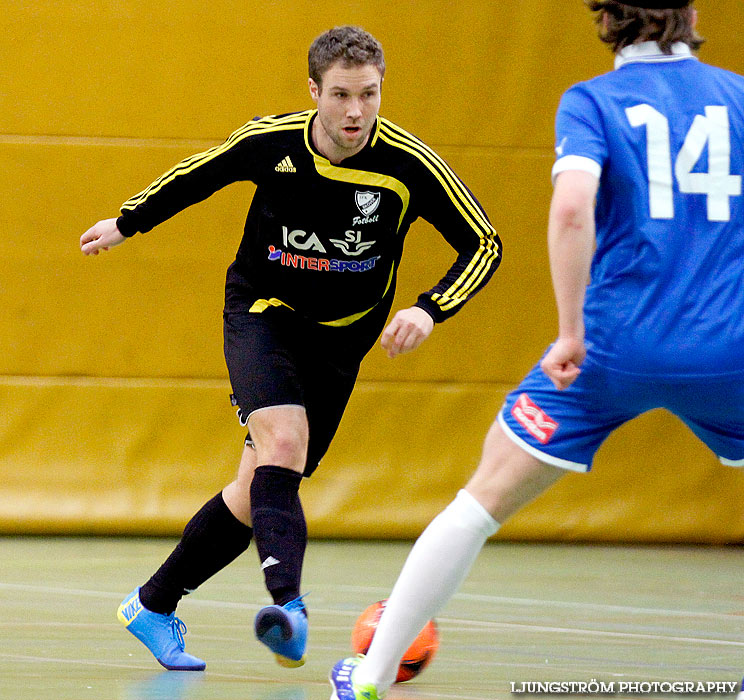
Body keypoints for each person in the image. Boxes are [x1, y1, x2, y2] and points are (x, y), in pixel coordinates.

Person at [329, 2, 744, 698]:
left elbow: (573, 207)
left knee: (483, 496)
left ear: (605, 17)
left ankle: (369, 676)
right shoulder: (738, 96)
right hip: (732, 350)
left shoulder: (593, 102)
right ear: (689, 13)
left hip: (613, 347)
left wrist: (572, 331)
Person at [80, 26, 501, 672]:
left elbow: (484, 243)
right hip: (262, 313)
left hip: (342, 341)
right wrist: (127, 222)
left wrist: (429, 307)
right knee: (283, 445)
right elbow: (198, 175)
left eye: (369, 94)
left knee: (258, 491)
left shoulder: (408, 165)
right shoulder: (271, 142)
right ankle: (289, 610)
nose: (356, 112)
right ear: (314, 92)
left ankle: (152, 605)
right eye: (340, 95)